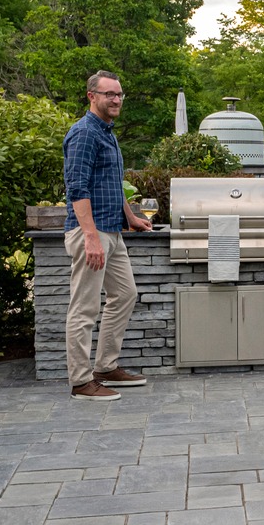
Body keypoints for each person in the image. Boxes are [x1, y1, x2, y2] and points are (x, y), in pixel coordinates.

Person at [62, 70, 152, 400]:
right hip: (92, 231)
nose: (116, 100)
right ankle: (81, 381)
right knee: (84, 309)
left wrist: (132, 217)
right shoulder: (85, 133)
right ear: (92, 97)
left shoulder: (108, 133)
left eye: (119, 94)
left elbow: (114, 184)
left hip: (113, 230)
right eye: (109, 94)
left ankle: (105, 366)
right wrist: (90, 237)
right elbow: (77, 188)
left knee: (125, 294)